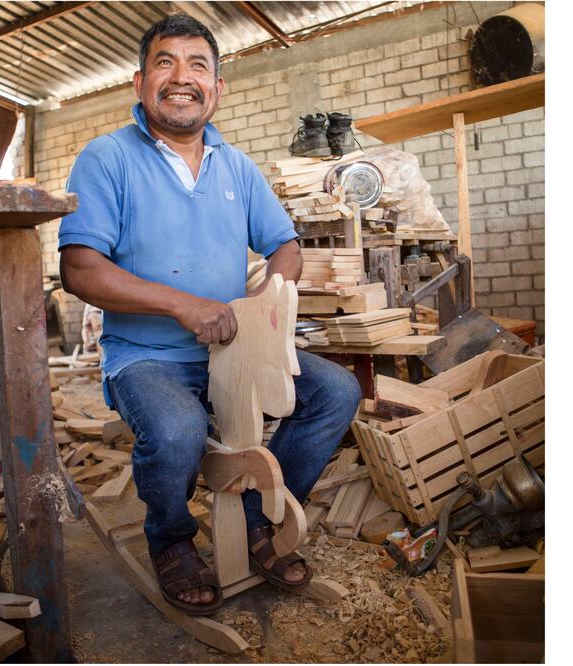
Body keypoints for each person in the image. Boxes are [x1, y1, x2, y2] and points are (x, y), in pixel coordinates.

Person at [58, 13, 362, 615]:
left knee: (336, 391)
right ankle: (170, 539)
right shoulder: (107, 157)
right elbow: (80, 270)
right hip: (145, 358)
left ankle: (256, 524)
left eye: (198, 65)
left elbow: (286, 247)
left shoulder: (235, 165)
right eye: (165, 62)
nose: (182, 77)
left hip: (231, 346)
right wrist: (182, 305)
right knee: (177, 431)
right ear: (141, 82)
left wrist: (269, 306)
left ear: (217, 89)